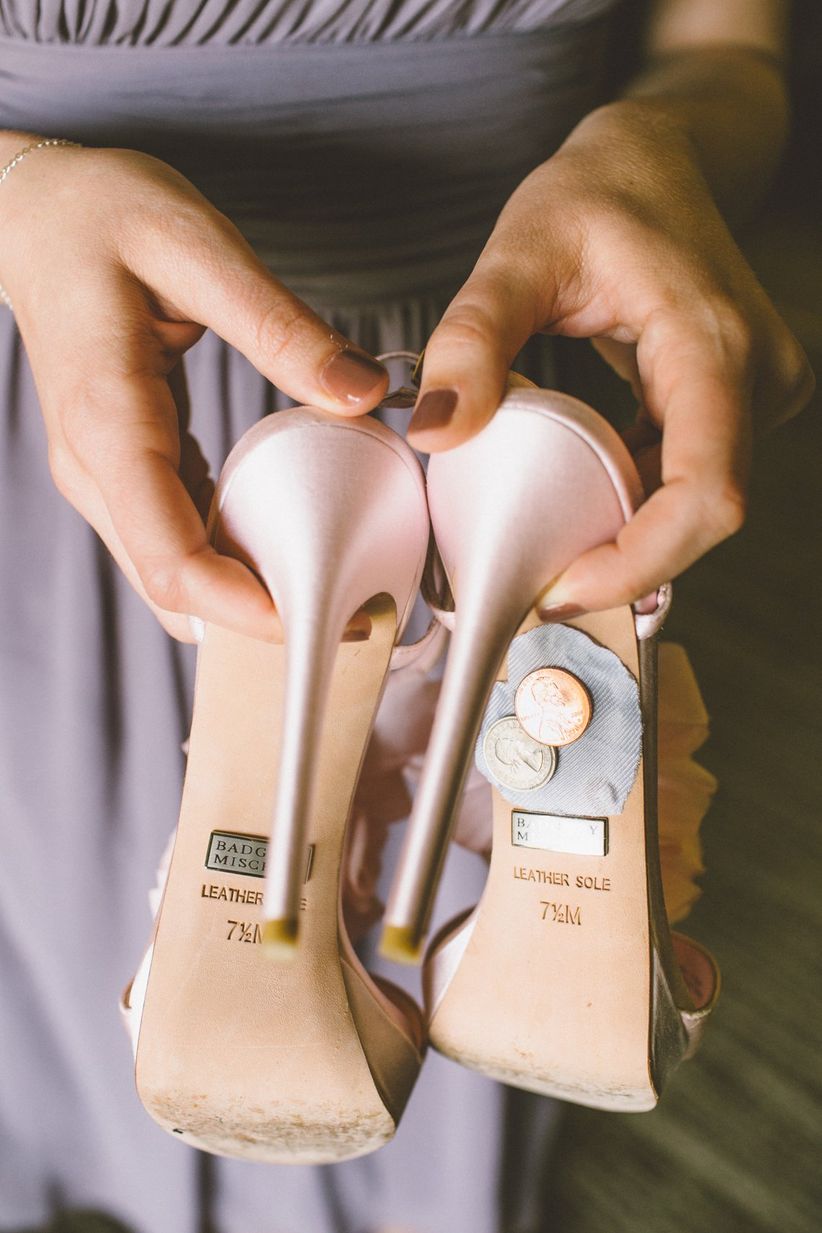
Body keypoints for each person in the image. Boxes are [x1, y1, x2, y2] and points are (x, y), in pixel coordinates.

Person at [0, 1, 812, 1230]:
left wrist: (665, 151)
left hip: (506, 304)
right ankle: (557, 948)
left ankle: (234, 911)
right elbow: (729, 50)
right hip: (134, 359)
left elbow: (725, 62)